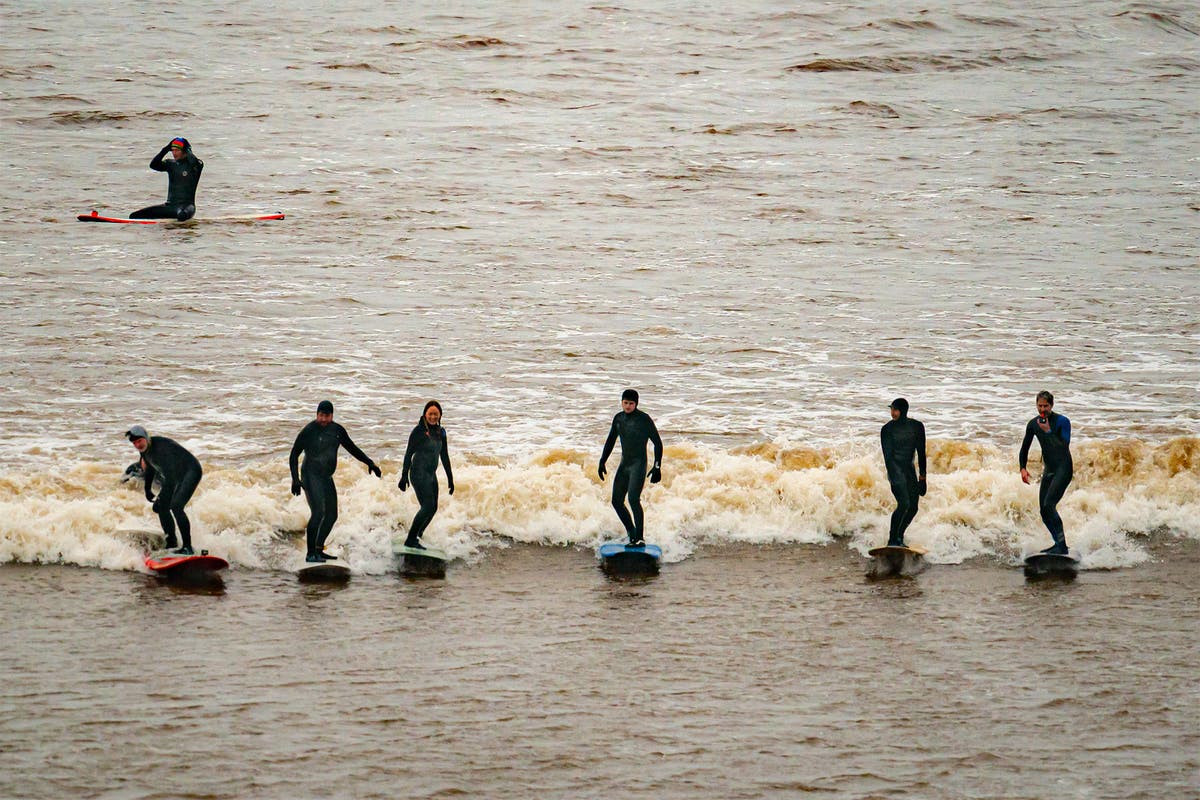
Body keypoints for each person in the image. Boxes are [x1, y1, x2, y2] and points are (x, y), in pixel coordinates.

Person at [289, 400, 382, 562]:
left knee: (332, 515)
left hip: (326, 477)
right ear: (317, 414)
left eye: (327, 416)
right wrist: (295, 479)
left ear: (332, 416)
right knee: (318, 512)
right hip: (310, 475)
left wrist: (369, 462)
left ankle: (319, 549)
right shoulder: (309, 430)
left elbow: (352, 448)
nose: (324, 419)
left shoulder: (337, 430)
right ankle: (310, 554)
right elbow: (294, 454)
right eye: (321, 415)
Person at [598, 389, 664, 546]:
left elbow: (658, 443)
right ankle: (631, 533)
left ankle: (640, 538)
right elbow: (610, 441)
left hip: (638, 465)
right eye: (625, 403)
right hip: (624, 464)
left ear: (636, 404)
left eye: (631, 403)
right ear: (621, 402)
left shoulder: (644, 420)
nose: (627, 406)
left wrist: (657, 466)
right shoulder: (618, 419)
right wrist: (602, 461)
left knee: (633, 499)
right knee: (616, 501)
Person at [126, 425, 203, 555]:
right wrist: (147, 488)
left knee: (177, 506)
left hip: (191, 471)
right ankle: (172, 542)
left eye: (139, 441)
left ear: (146, 437)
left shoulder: (162, 449)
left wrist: (162, 496)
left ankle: (188, 547)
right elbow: (150, 467)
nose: (137, 445)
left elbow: (170, 478)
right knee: (161, 507)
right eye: (134, 443)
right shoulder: (145, 449)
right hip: (177, 476)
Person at [1019, 390, 1073, 555]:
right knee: (1043, 510)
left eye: (1046, 406)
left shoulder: (1063, 422)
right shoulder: (1033, 424)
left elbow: (1063, 446)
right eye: (1040, 405)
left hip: (1063, 468)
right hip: (1049, 469)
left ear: (1052, 405)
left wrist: (1049, 431)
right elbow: (1025, 447)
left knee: (1050, 505)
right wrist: (1022, 468)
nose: (1043, 409)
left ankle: (1062, 547)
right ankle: (1058, 543)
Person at [398, 401, 454, 549]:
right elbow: (408, 454)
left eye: (436, 414)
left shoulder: (441, 432)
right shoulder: (418, 431)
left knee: (433, 507)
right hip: (417, 473)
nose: (433, 416)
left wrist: (450, 478)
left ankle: (417, 535)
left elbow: (445, 456)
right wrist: (404, 476)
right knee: (427, 506)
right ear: (425, 415)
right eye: (430, 414)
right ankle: (410, 539)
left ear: (440, 415)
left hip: (430, 474)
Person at [880, 397, 927, 547]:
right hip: (894, 470)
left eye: (895, 409)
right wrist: (896, 478)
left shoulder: (917, 427)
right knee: (904, 503)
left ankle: (899, 536)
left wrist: (923, 477)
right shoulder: (887, 429)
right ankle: (892, 540)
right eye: (891, 409)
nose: (892, 412)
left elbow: (921, 452)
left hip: (909, 471)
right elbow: (888, 457)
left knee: (913, 507)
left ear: (903, 411)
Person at [130, 137, 203, 220]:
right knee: (134, 216)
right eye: (172, 150)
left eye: (177, 150)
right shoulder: (170, 164)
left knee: (182, 215)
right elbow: (153, 165)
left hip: (186, 207)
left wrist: (187, 149)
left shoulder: (195, 165)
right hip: (170, 206)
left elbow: (194, 162)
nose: (174, 153)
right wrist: (165, 149)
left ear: (185, 151)